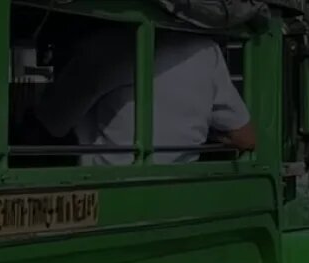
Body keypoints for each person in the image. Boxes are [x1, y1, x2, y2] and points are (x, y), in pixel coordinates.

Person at [32, 29, 256, 165]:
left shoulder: (105, 46)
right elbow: (246, 137)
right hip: (181, 189)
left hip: (109, 191)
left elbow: (52, 124)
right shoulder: (207, 51)